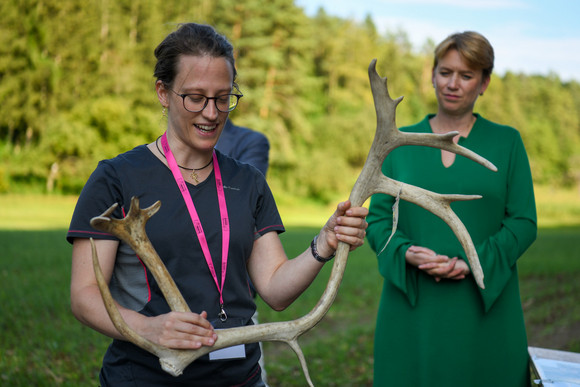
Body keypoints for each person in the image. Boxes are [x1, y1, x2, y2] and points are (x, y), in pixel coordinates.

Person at [67, 23, 368, 387]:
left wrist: (325, 241)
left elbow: (274, 288)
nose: (212, 113)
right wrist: (149, 327)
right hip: (146, 377)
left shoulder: (248, 181)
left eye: (223, 98)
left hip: (240, 377)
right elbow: (84, 296)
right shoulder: (116, 177)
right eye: (195, 97)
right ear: (163, 92)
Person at [366, 31, 537, 387]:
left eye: (466, 75)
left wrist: (472, 262)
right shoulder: (397, 142)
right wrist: (406, 252)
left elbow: (522, 222)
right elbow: (379, 220)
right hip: (411, 309)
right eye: (445, 72)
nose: (453, 84)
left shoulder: (507, 142)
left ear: (484, 82)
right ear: (432, 75)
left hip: (485, 308)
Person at [216, 119, 270, 385]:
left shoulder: (250, 142)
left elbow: (241, 200)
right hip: (171, 307)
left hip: (229, 300)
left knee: (238, 376)